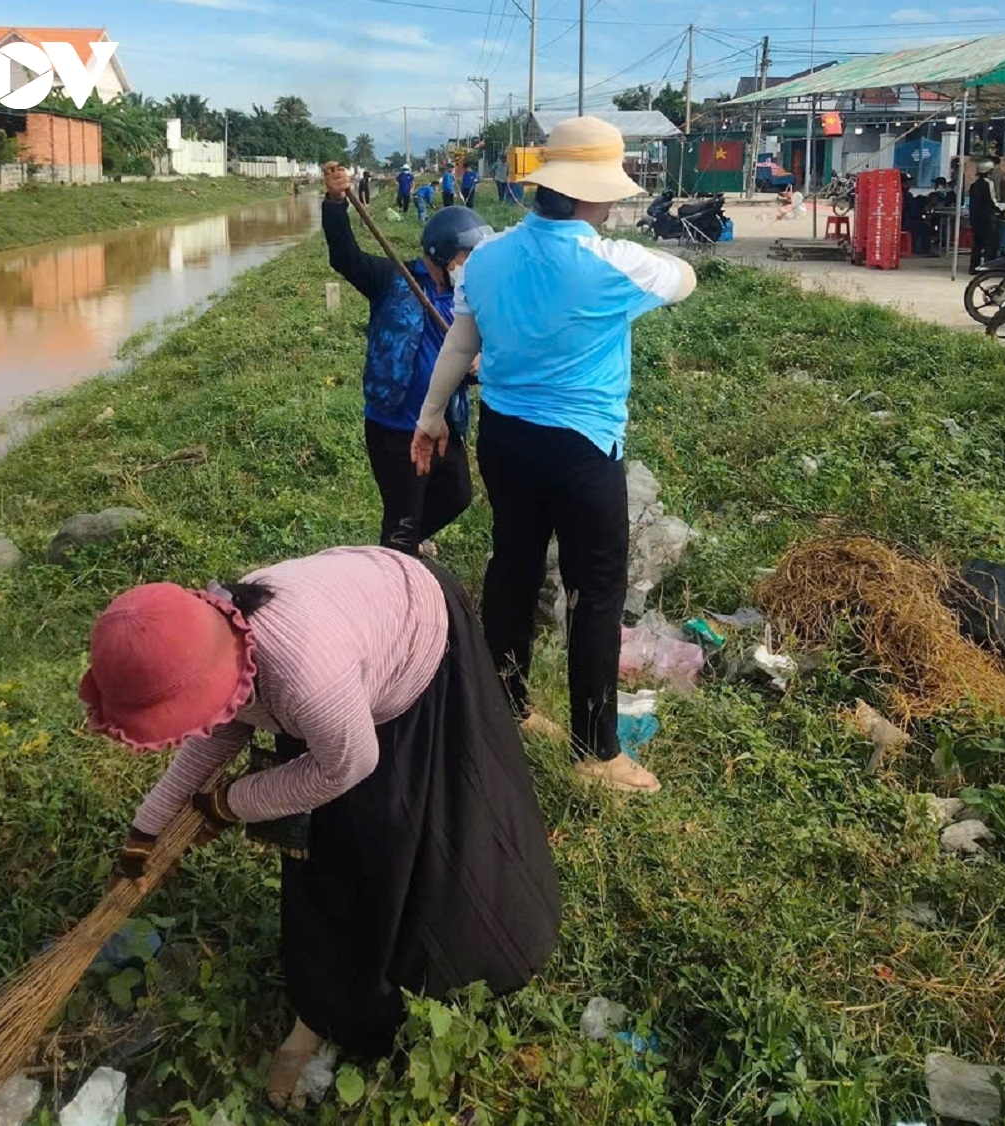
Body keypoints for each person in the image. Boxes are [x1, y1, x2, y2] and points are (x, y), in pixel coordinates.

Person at [83, 547, 561, 1111]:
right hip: (342, 661)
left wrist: (230, 804)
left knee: (384, 832)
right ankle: (327, 996)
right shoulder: (215, 643)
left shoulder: (309, 673)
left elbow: (350, 764)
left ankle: (436, 959)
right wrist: (147, 829)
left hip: (416, 628)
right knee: (323, 844)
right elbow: (217, 729)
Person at [410, 116, 697, 794]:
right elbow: (683, 277)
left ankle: (508, 705)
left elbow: (460, 341)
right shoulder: (610, 264)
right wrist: (621, 252)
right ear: (591, 192)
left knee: (512, 566)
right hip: (581, 450)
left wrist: (430, 417)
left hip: (505, 438)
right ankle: (596, 753)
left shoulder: (486, 258)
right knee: (595, 591)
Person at [321, 163, 491, 555]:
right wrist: (335, 202)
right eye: (467, 256)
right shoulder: (392, 280)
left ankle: (404, 543)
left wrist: (482, 363)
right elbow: (344, 256)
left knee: (457, 495)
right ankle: (396, 562)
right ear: (444, 253)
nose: (473, 265)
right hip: (395, 425)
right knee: (402, 515)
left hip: (444, 422)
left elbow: (490, 349)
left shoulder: (473, 295)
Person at [969, 158, 1005, 273]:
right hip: (987, 218)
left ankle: (973, 267)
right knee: (991, 244)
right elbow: (992, 201)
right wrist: (1002, 211)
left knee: (977, 245)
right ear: (989, 170)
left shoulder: (974, 185)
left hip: (975, 218)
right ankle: (989, 267)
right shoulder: (988, 183)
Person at [900, 173, 933, 256]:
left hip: (903, 221)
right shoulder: (906, 195)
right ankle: (924, 250)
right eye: (908, 182)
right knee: (925, 227)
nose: (910, 184)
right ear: (903, 183)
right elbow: (912, 211)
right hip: (905, 222)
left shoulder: (900, 194)